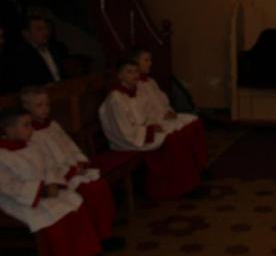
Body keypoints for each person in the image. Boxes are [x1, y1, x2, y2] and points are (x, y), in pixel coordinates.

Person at [0, 107, 102, 256]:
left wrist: (52, 183)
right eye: (26, 125)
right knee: (55, 217)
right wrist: (42, 191)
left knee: (75, 203)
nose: (31, 129)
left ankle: (85, 252)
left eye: (31, 124)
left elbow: (49, 166)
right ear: (9, 130)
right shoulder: (2, 155)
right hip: (20, 199)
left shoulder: (32, 145)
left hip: (45, 190)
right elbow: (8, 185)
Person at [22, 86, 117, 242]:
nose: (45, 109)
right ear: (27, 108)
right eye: (39, 105)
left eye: (47, 104)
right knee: (92, 190)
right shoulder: (31, 135)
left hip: (75, 170)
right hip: (61, 178)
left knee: (100, 186)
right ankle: (99, 237)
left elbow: (70, 146)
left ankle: (105, 231)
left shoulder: (53, 125)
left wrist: (79, 161)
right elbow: (45, 164)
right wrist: (71, 171)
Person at [99, 60, 201, 200]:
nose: (134, 75)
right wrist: (149, 131)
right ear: (120, 75)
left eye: (136, 71)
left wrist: (155, 124)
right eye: (129, 72)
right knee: (171, 140)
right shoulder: (116, 99)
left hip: (143, 130)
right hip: (129, 139)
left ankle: (190, 180)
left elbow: (148, 113)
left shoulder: (137, 91)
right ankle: (176, 187)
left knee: (177, 134)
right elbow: (123, 130)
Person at [131, 48, 208, 173]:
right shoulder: (136, 86)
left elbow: (162, 100)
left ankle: (199, 165)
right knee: (178, 134)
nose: (150, 63)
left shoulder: (150, 81)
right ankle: (186, 170)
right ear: (135, 61)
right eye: (146, 60)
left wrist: (168, 111)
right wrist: (161, 116)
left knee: (194, 121)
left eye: (150, 60)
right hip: (156, 120)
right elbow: (144, 110)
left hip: (165, 116)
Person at [11, 15, 65, 90]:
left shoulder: (54, 49)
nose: (45, 32)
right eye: (39, 29)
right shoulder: (21, 56)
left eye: (46, 28)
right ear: (26, 34)